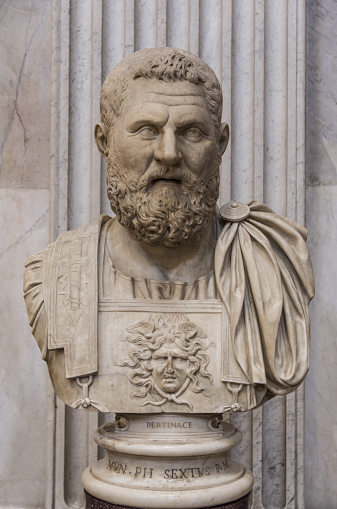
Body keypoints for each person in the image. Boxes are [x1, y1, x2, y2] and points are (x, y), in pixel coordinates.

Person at [24, 47, 314, 413]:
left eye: (191, 132)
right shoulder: (51, 275)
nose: (168, 153)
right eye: (147, 130)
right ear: (104, 142)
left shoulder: (267, 262)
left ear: (220, 144)